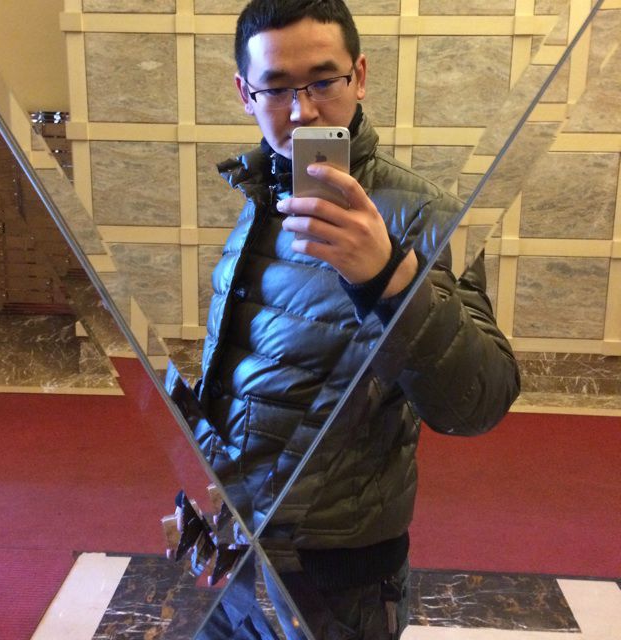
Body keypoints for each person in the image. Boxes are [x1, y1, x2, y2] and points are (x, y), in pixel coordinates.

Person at [184, 0, 520, 637]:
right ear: (245, 93)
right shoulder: (261, 197)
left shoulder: (424, 217)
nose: (301, 111)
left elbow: (478, 403)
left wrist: (389, 276)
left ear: (359, 76)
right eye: (276, 88)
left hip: (340, 578)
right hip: (241, 547)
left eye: (323, 82)